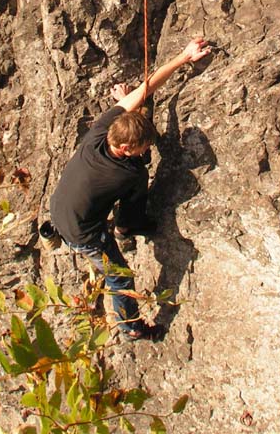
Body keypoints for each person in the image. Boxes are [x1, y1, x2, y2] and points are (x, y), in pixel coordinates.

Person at [49, 37, 211, 340]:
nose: (144, 154)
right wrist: (127, 227)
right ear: (125, 148)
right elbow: (129, 210)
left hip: (59, 206)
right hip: (82, 234)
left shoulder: (103, 128)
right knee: (120, 279)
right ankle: (131, 327)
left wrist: (183, 57)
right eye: (141, 150)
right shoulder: (126, 174)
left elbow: (146, 89)